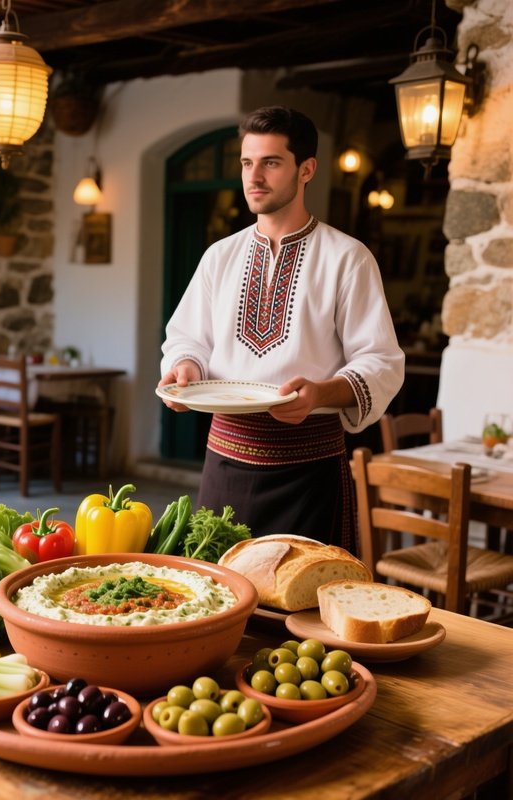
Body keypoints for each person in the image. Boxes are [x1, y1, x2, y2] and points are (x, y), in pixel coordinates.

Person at [158, 105, 404, 553]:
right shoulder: (219, 256)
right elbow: (187, 337)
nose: (254, 177)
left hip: (309, 470)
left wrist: (320, 394)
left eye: (271, 163)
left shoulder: (347, 257)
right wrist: (185, 369)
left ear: (306, 169)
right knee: (218, 602)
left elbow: (381, 362)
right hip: (224, 459)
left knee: (302, 612)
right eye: (247, 163)